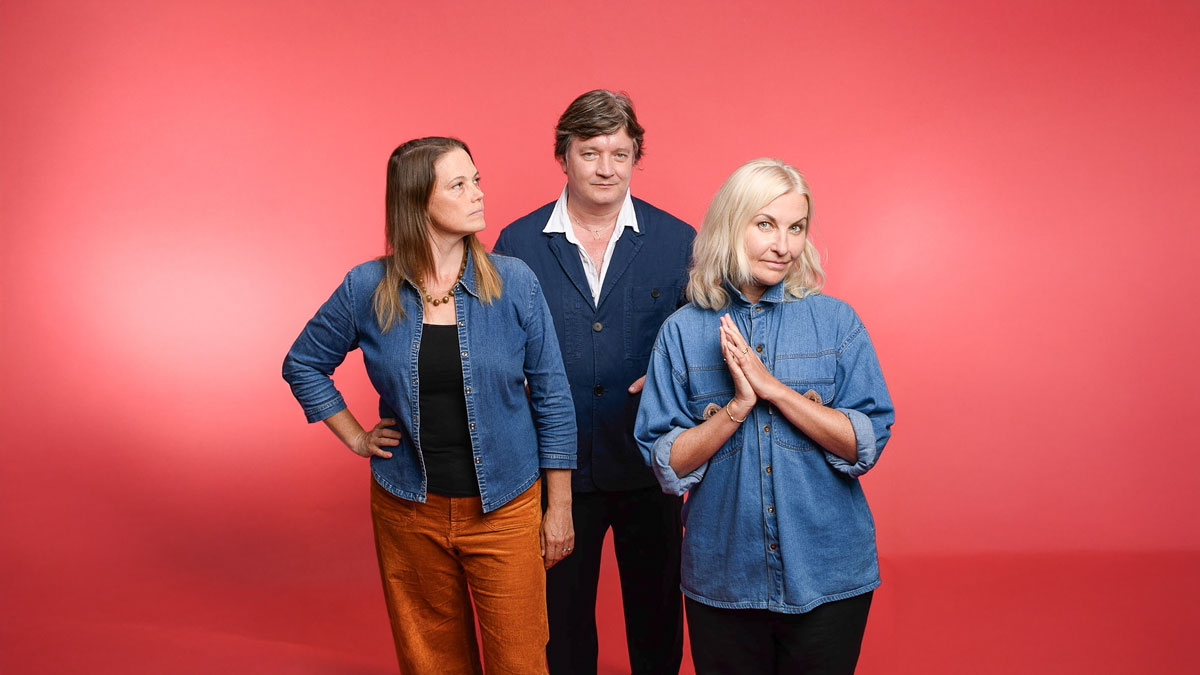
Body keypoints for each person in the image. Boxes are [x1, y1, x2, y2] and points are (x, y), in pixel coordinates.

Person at [282, 136, 576, 674]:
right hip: (407, 509)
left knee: (520, 662)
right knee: (432, 665)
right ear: (418, 202)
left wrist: (559, 508)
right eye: (458, 185)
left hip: (506, 508)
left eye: (476, 180)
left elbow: (553, 399)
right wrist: (356, 436)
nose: (478, 194)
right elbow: (304, 363)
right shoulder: (367, 286)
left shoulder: (515, 283)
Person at [635, 158, 895, 675]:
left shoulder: (836, 322)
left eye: (796, 228)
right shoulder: (682, 332)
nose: (784, 245)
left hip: (829, 578)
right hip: (724, 580)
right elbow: (668, 464)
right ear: (732, 224)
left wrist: (774, 390)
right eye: (766, 225)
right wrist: (737, 407)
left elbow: (865, 442)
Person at [493, 90, 693, 675]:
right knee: (562, 632)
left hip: (651, 466)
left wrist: (675, 375)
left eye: (620, 154)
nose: (607, 169)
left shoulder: (679, 241)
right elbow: (493, 346)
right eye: (590, 153)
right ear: (563, 156)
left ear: (635, 158)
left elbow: (706, 340)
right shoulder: (516, 244)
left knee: (657, 627)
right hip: (555, 473)